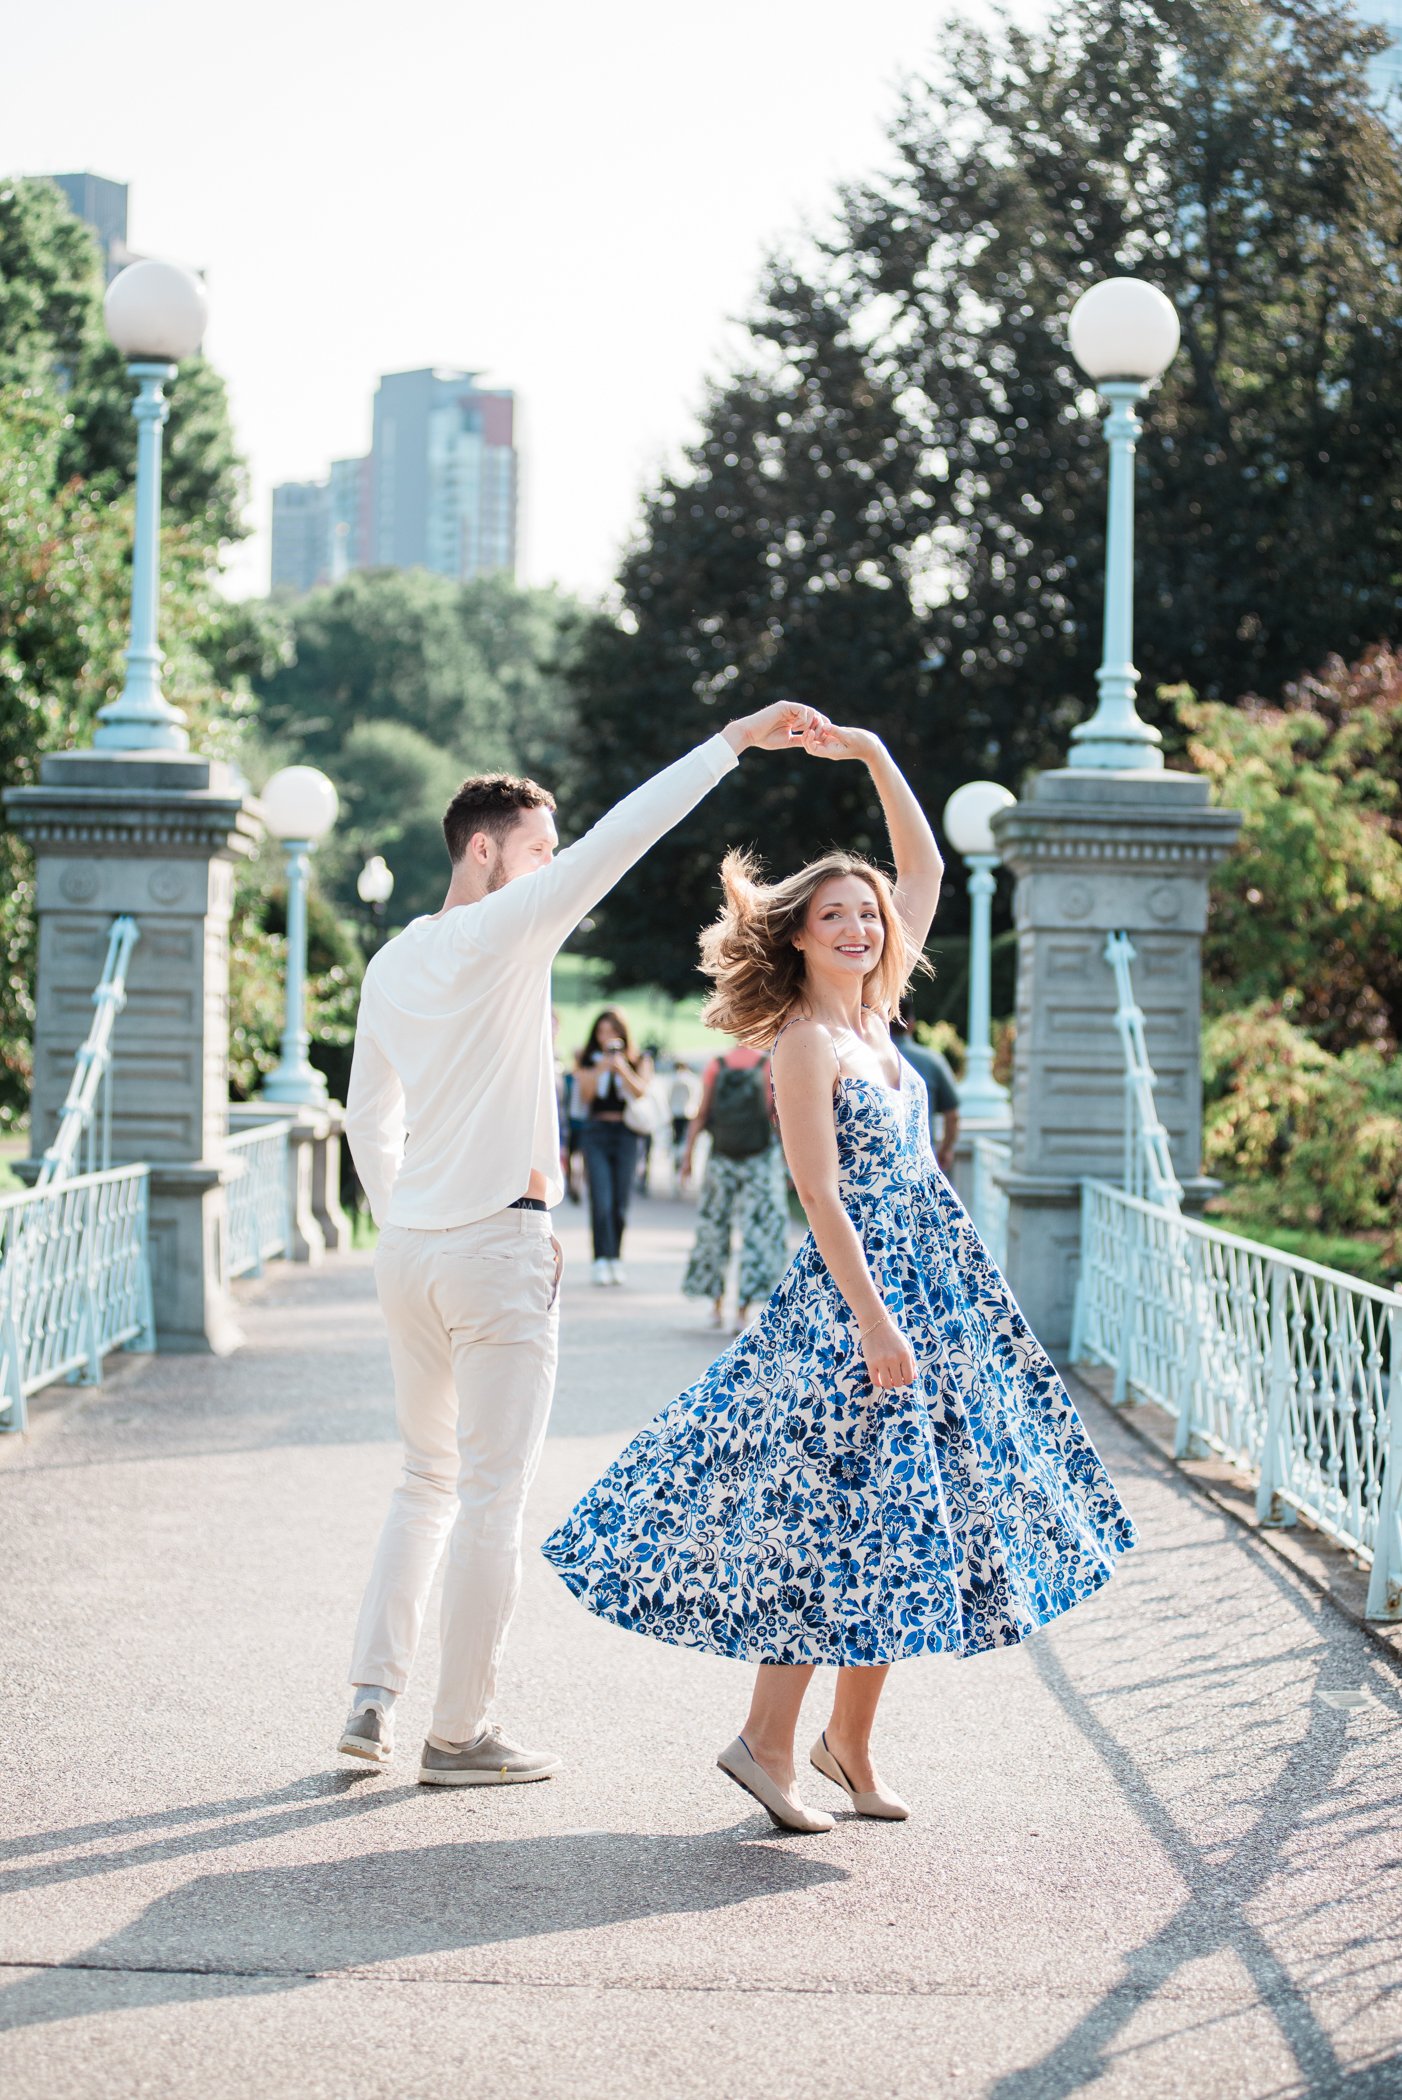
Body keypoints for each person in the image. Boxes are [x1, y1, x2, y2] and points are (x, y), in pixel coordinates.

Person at [544, 719, 1135, 1833]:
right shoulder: (808, 1041)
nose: (862, 927)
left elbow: (927, 869)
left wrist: (869, 752)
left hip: (935, 1289)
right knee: (841, 1525)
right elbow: (820, 1197)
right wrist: (873, 1323)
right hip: (856, 1307)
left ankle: (846, 1750)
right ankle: (768, 1743)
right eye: (836, 916)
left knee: (917, 1525)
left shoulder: (875, 1015)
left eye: (868, 915)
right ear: (797, 938)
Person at [340, 697, 825, 1788]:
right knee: (490, 1495)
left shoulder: (390, 964)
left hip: (408, 1249)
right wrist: (733, 739)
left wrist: (400, 1209)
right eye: (538, 852)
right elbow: (627, 835)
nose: (556, 868)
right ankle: (460, 1734)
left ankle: (370, 1702)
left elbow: (368, 1119)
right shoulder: (502, 927)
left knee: (422, 1476)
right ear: (484, 850)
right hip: (492, 1249)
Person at [679, 1040, 788, 1330]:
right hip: (759, 1159)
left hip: (721, 1157)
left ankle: (716, 1305)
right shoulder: (767, 1065)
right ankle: (743, 1309)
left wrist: (688, 1157)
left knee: (714, 1229)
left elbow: (701, 1114)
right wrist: (790, 1164)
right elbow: (776, 1117)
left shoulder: (718, 1064)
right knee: (758, 1232)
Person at [575, 1007, 653, 1285]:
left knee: (620, 1201)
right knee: (601, 1199)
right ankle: (600, 1259)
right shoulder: (587, 1058)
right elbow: (585, 1095)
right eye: (601, 1032)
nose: (606, 1038)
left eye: (612, 1032)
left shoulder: (638, 1059)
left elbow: (641, 1090)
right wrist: (600, 1068)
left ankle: (615, 1257)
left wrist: (621, 1067)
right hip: (596, 1132)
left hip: (627, 1133)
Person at [890, 1002, 961, 1174]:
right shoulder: (933, 1061)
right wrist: (945, 1150)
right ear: (912, 1023)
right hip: (922, 1163)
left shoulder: (862, 1060)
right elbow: (952, 1116)